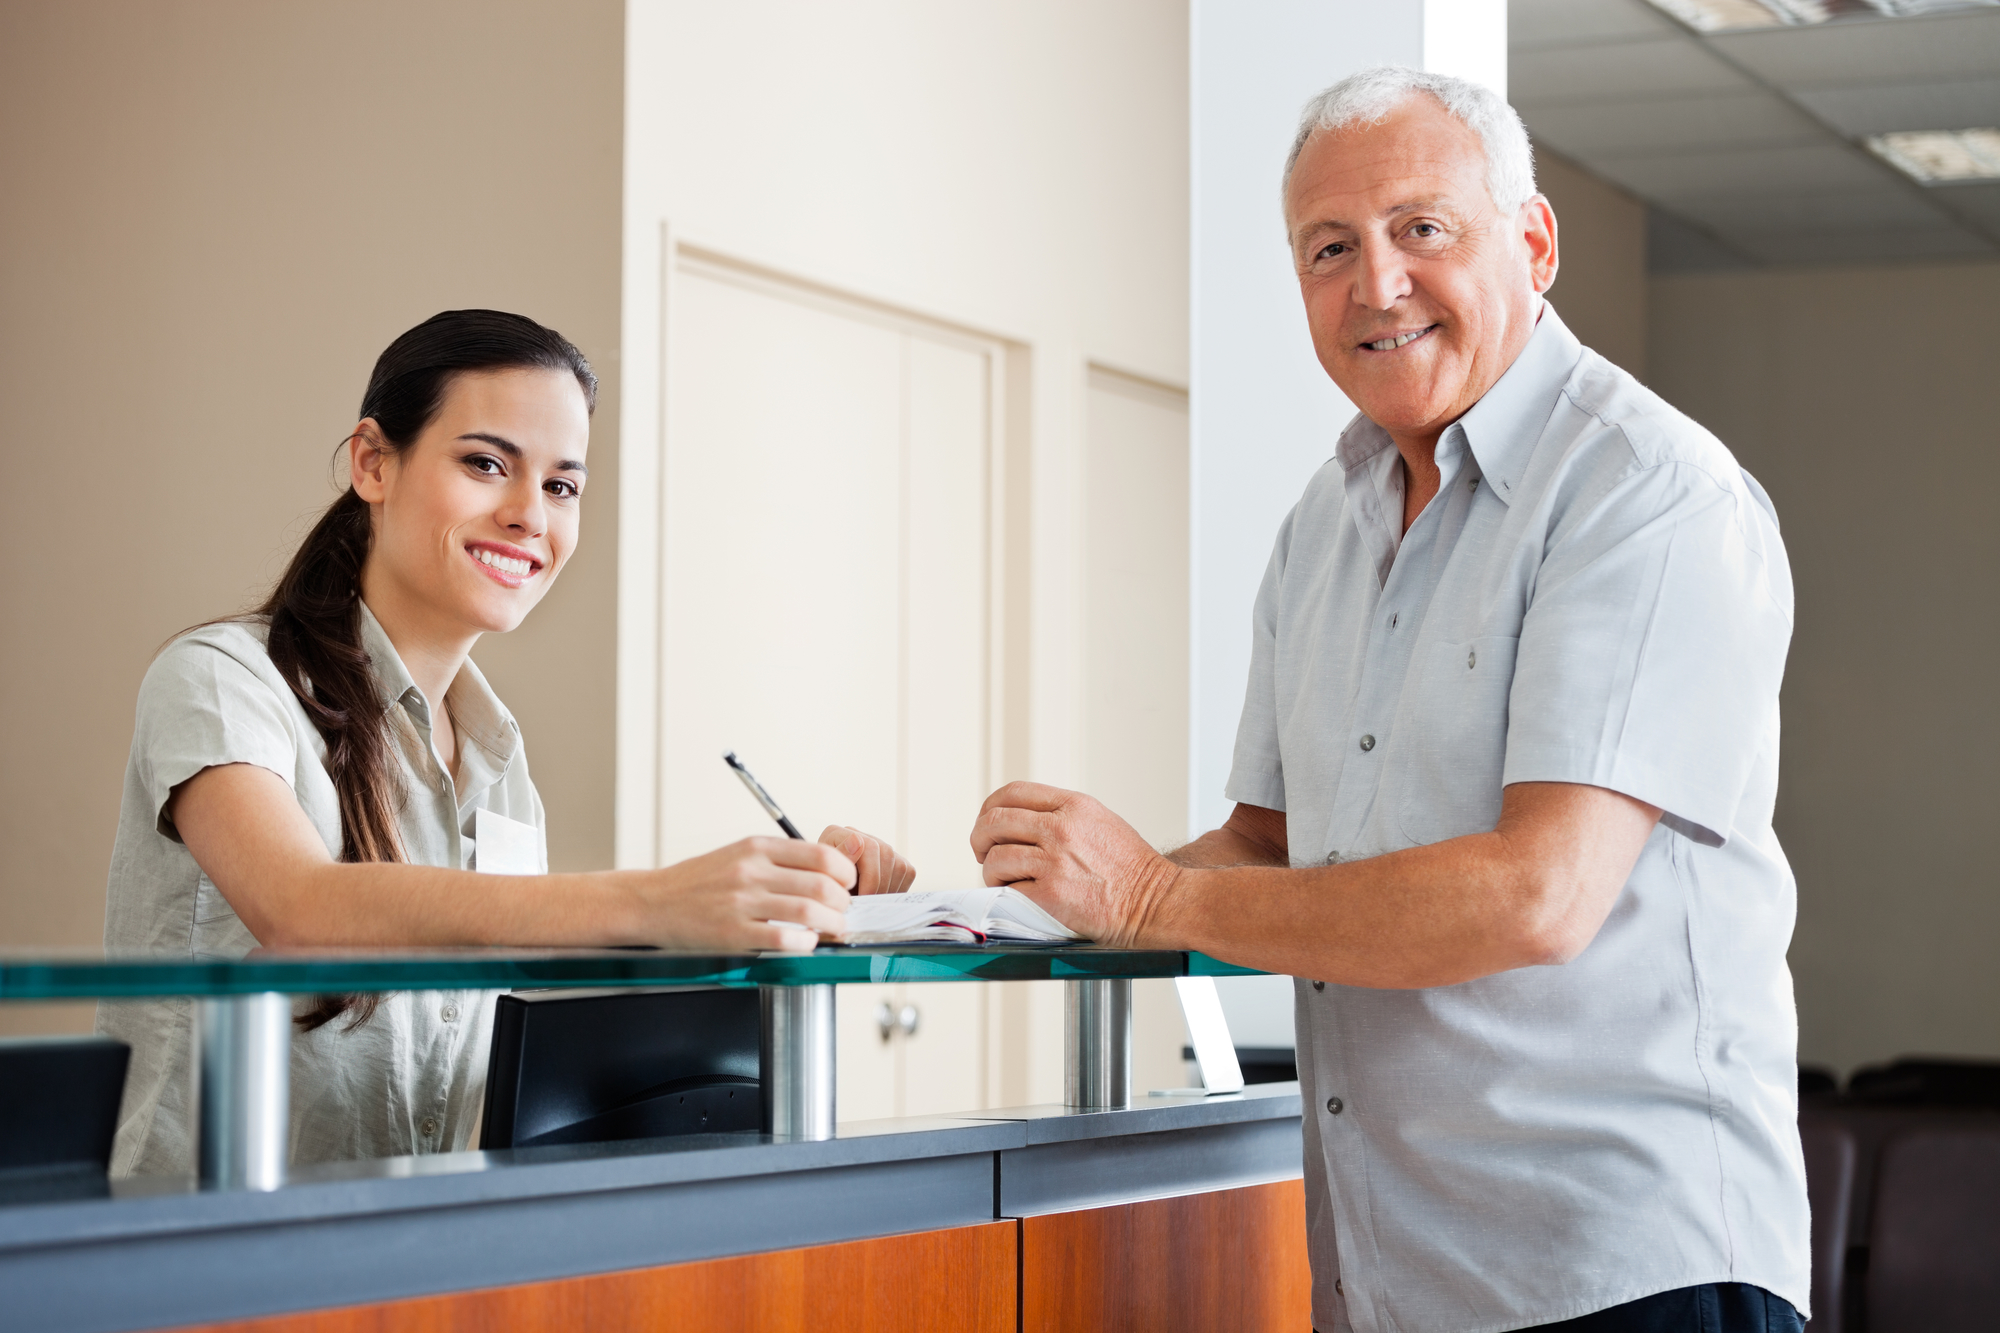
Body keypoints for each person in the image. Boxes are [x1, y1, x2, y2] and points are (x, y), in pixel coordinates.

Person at [970, 67, 1807, 1333]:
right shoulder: (1326, 518)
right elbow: (1262, 847)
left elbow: (1540, 893)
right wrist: (1005, 904)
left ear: (1529, 242)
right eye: (1328, 248)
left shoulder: (1647, 493)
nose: (1375, 285)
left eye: (1421, 228)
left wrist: (1147, 896)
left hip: (1623, 1271)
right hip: (1394, 1274)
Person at [99, 310, 914, 1177]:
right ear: (373, 462)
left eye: (563, 486)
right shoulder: (223, 677)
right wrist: (653, 901)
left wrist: (789, 901)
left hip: (417, 1260)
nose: (530, 516)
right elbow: (300, 907)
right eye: (487, 464)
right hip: (202, 1260)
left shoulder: (498, 762)